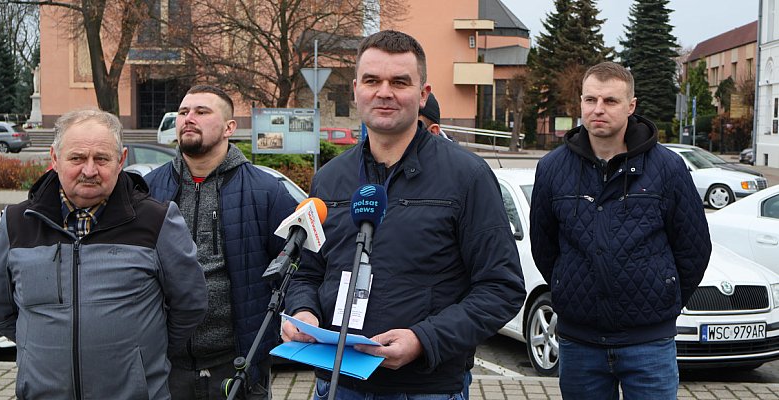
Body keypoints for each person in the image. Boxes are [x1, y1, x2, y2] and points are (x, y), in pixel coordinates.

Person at [282, 30, 525, 398]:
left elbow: (500, 288)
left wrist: (423, 339)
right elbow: (309, 271)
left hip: (426, 388)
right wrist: (302, 312)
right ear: (355, 89)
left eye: (399, 81)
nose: (384, 92)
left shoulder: (468, 177)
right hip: (335, 384)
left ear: (422, 94)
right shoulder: (331, 178)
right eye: (372, 80)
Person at [0, 109, 208, 399]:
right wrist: (37, 347)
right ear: (54, 159)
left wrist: (139, 355)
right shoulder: (16, 223)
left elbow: (190, 304)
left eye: (101, 158)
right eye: (77, 158)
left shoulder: (157, 221)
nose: (89, 170)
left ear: (121, 160)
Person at [530, 61, 712, 399]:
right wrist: (568, 288)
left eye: (610, 101)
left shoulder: (668, 168)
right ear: (580, 102)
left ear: (631, 106)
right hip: (579, 343)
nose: (598, 109)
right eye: (590, 100)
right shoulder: (552, 169)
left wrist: (663, 298)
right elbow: (544, 247)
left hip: (649, 344)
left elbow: (694, 248)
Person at [144, 85, 298, 400]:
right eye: (184, 112)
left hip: (239, 364)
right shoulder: (147, 190)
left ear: (230, 127)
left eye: (202, 112)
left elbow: (297, 269)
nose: (189, 118)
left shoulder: (266, 192)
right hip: (164, 366)